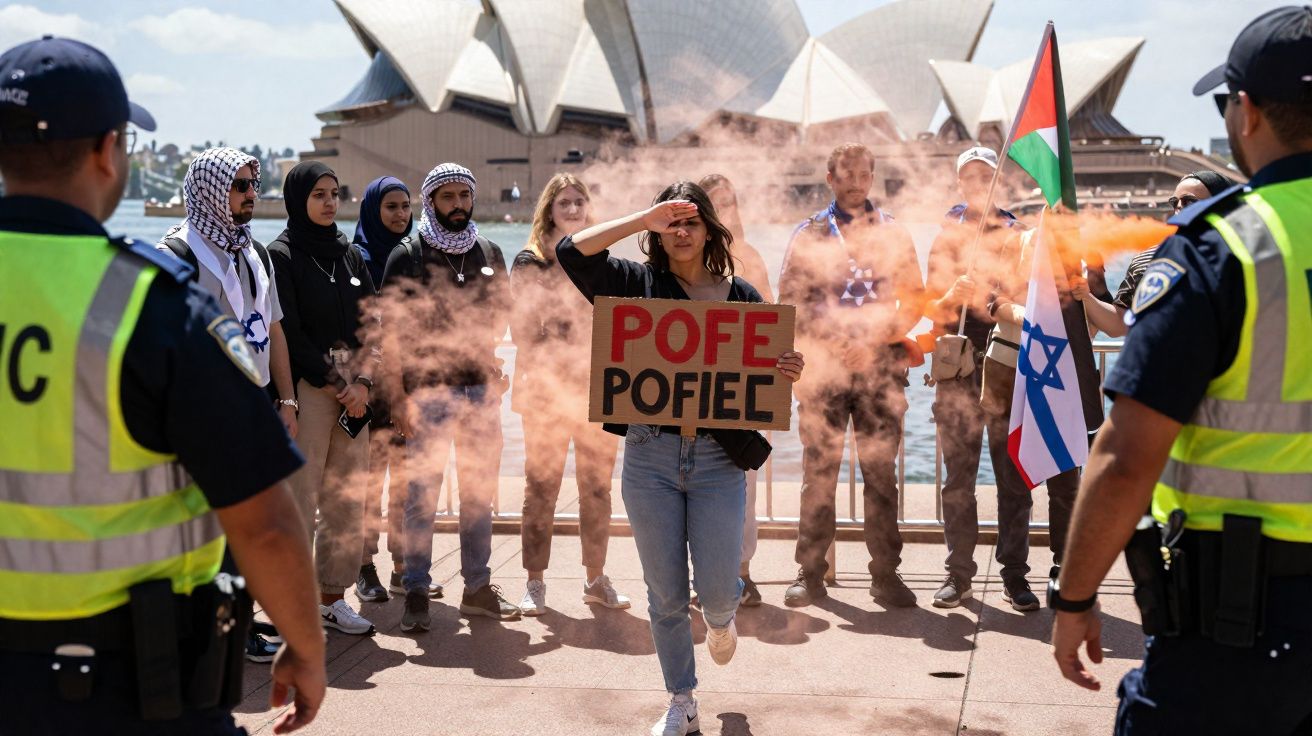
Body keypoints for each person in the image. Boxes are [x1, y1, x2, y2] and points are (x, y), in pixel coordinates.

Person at [0, 36, 323, 734]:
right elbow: (264, 522)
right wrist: (306, 646)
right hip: (128, 690)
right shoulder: (150, 306)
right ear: (107, 151)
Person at [1053, 7, 1312, 733]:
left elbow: (1128, 456)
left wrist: (1075, 599)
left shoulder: (1222, 250)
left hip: (1243, 629)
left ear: (1247, 112)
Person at [556, 181, 804, 736]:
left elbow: (762, 368)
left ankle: (721, 621)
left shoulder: (740, 295)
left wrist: (785, 366)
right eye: (672, 223)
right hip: (650, 455)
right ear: (658, 232)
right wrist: (644, 216)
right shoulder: (636, 284)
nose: (682, 232)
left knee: (718, 591)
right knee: (664, 592)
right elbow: (571, 251)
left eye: (692, 221)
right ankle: (681, 698)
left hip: (718, 462)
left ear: (712, 230)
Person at [155, 146, 303, 660]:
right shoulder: (176, 255)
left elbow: (275, 330)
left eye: (252, 185)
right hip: (204, 413)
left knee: (250, 523)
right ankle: (205, 631)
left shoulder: (255, 255)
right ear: (211, 191)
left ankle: (237, 626)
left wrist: (286, 399)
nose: (249, 196)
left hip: (256, 403)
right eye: (239, 186)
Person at [778, 142, 925, 608]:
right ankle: (810, 573)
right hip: (824, 372)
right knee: (818, 473)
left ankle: (886, 574)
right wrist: (833, 341)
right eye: (846, 173)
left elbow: (916, 299)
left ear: (872, 176)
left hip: (880, 370)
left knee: (880, 476)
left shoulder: (894, 233)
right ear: (830, 178)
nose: (856, 181)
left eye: (863, 173)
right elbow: (790, 302)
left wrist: (874, 340)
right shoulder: (810, 233)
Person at [380, 163, 518, 633]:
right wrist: (397, 398)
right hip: (426, 393)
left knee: (479, 494)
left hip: (480, 391)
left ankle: (477, 588)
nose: (458, 204)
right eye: (448, 197)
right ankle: (415, 589)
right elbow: (390, 335)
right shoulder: (408, 255)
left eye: (464, 195)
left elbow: (502, 318)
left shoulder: (490, 251)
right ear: (431, 201)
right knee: (422, 496)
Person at [921, 147, 1036, 610]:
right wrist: (954, 294)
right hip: (958, 367)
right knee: (959, 478)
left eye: (985, 175)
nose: (977, 183)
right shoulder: (945, 238)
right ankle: (958, 574)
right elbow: (926, 307)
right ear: (959, 183)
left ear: (999, 180)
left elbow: (1032, 300)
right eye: (969, 176)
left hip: (1007, 368)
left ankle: (1014, 575)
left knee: (1013, 477)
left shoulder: (1020, 237)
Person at [268, 161, 380, 637]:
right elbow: (288, 332)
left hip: (356, 396)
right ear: (298, 199)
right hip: (313, 393)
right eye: (318, 194)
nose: (330, 202)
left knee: (346, 499)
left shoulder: (350, 255)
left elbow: (375, 322)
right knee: (302, 495)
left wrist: (365, 385)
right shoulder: (282, 255)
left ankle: (333, 597)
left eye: (335, 193)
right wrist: (340, 384)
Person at [510, 173, 629, 615]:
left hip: (597, 389)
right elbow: (524, 331)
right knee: (541, 487)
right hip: (546, 392)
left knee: (597, 488)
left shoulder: (601, 260)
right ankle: (535, 582)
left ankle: (595, 578)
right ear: (549, 211)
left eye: (580, 201)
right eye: (565, 203)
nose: (574, 209)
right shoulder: (530, 262)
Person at [348, 176, 445, 603]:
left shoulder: (417, 256)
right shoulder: (358, 258)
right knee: (370, 481)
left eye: (406, 206)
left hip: (412, 386)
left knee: (406, 483)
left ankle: (403, 566)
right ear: (373, 209)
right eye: (391, 206)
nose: (401, 214)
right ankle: (363, 567)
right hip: (373, 388)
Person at [698, 173, 773, 606]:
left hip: (740, 388)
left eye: (729, 202)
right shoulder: (681, 255)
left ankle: (741, 571)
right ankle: (701, 576)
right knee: (692, 482)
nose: (722, 210)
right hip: (692, 390)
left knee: (742, 484)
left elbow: (772, 319)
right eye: (713, 202)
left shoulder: (749, 257)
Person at [1077, 170, 1236, 337]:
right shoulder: (1146, 260)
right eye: (1175, 202)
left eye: (1189, 201)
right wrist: (1086, 296)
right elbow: (1120, 324)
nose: (1179, 206)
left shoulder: (1243, 256)